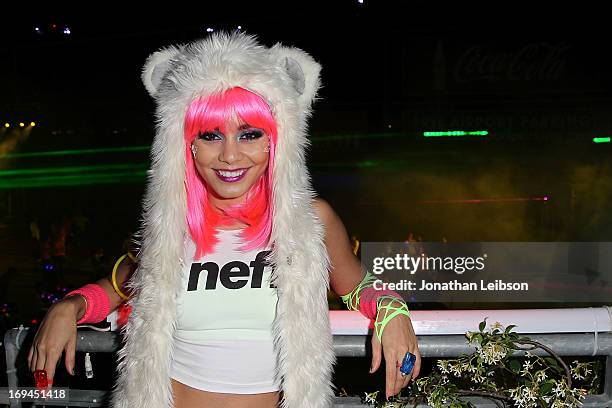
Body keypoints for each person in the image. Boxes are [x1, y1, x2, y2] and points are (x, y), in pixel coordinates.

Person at [27, 32, 421, 408]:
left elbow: (356, 287)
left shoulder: (309, 220)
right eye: (211, 135)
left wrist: (391, 310)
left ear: (275, 142)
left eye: (249, 134)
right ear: (187, 145)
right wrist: (69, 307)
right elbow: (119, 285)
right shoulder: (169, 226)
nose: (230, 156)